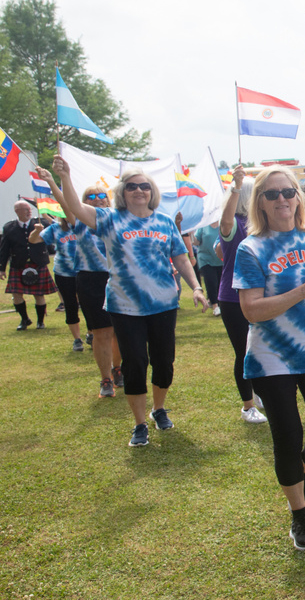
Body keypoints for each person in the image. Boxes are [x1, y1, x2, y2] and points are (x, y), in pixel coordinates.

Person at [233, 165, 305, 551]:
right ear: (261, 204)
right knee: (287, 436)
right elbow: (251, 310)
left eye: (288, 192)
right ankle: (300, 516)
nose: (282, 199)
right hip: (272, 358)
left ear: (299, 197)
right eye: (272, 194)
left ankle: (303, 475)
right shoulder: (251, 248)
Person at [52, 155, 209, 447]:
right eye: (132, 187)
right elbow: (74, 207)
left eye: (145, 186)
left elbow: (180, 257)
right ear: (122, 193)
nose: (139, 191)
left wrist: (196, 287)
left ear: (152, 192)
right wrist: (64, 177)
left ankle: (158, 409)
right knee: (135, 363)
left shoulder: (164, 222)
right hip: (125, 306)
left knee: (164, 362)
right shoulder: (109, 219)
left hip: (163, 303)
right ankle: (139, 424)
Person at [49, 177, 125, 397]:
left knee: (119, 331)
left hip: (118, 278)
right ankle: (106, 380)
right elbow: (65, 202)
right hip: (90, 280)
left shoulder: (118, 218)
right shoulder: (77, 220)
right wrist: (56, 180)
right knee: (101, 332)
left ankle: (118, 368)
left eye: (102, 195)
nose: (97, 200)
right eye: (90, 197)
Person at [216, 165, 268, 424]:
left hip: (261, 296)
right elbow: (225, 224)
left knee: (260, 347)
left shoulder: (260, 226)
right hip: (233, 297)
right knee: (244, 351)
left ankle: (257, 392)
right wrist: (236, 186)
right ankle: (248, 406)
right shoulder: (235, 224)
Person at [27, 210, 83, 350]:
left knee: (89, 305)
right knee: (70, 306)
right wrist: (37, 231)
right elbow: (33, 240)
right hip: (64, 273)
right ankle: (77, 339)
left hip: (86, 271)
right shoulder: (56, 228)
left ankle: (91, 332)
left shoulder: (85, 225)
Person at [1, 200, 56, 330]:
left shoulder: (41, 223)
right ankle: (24, 319)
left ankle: (40, 322)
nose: (29, 211)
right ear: (17, 211)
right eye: (25, 209)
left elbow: (54, 227)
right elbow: (4, 249)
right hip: (19, 264)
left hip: (38, 263)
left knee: (39, 294)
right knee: (17, 294)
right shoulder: (9, 227)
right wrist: (1, 268)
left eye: (29, 209)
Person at [193, 221, 223, 316]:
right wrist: (190, 234)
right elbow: (196, 241)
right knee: (211, 282)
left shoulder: (223, 224)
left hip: (220, 260)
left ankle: (217, 302)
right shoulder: (203, 225)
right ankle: (215, 306)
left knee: (220, 283)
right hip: (205, 259)